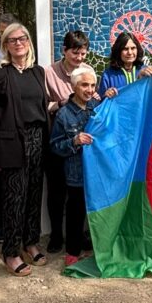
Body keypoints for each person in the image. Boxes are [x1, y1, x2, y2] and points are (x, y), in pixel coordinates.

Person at [0, 23, 49, 276]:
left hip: (38, 139)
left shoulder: (37, 72)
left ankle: (30, 241)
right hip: (11, 142)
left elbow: (41, 107)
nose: (18, 43)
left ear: (29, 42)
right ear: (5, 45)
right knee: (14, 198)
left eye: (22, 39)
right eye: (12, 40)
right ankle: (10, 251)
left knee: (33, 194)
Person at [44, 30, 97, 253]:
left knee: (78, 199)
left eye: (83, 53)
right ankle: (56, 234)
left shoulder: (88, 72)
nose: (79, 58)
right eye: (75, 53)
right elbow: (42, 106)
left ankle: (78, 236)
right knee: (57, 194)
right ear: (64, 51)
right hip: (58, 130)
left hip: (81, 148)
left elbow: (94, 100)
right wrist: (62, 103)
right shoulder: (49, 72)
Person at [49, 67, 100, 266]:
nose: (89, 89)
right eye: (84, 85)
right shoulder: (63, 115)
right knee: (75, 212)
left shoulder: (98, 106)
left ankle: (96, 247)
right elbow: (55, 146)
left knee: (96, 211)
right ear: (74, 86)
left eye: (92, 85)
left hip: (97, 174)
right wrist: (74, 141)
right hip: (76, 174)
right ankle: (72, 251)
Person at [99, 32, 152, 98]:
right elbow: (100, 103)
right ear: (118, 51)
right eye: (125, 49)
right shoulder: (108, 75)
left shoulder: (145, 71)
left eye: (133, 48)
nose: (130, 52)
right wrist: (106, 95)